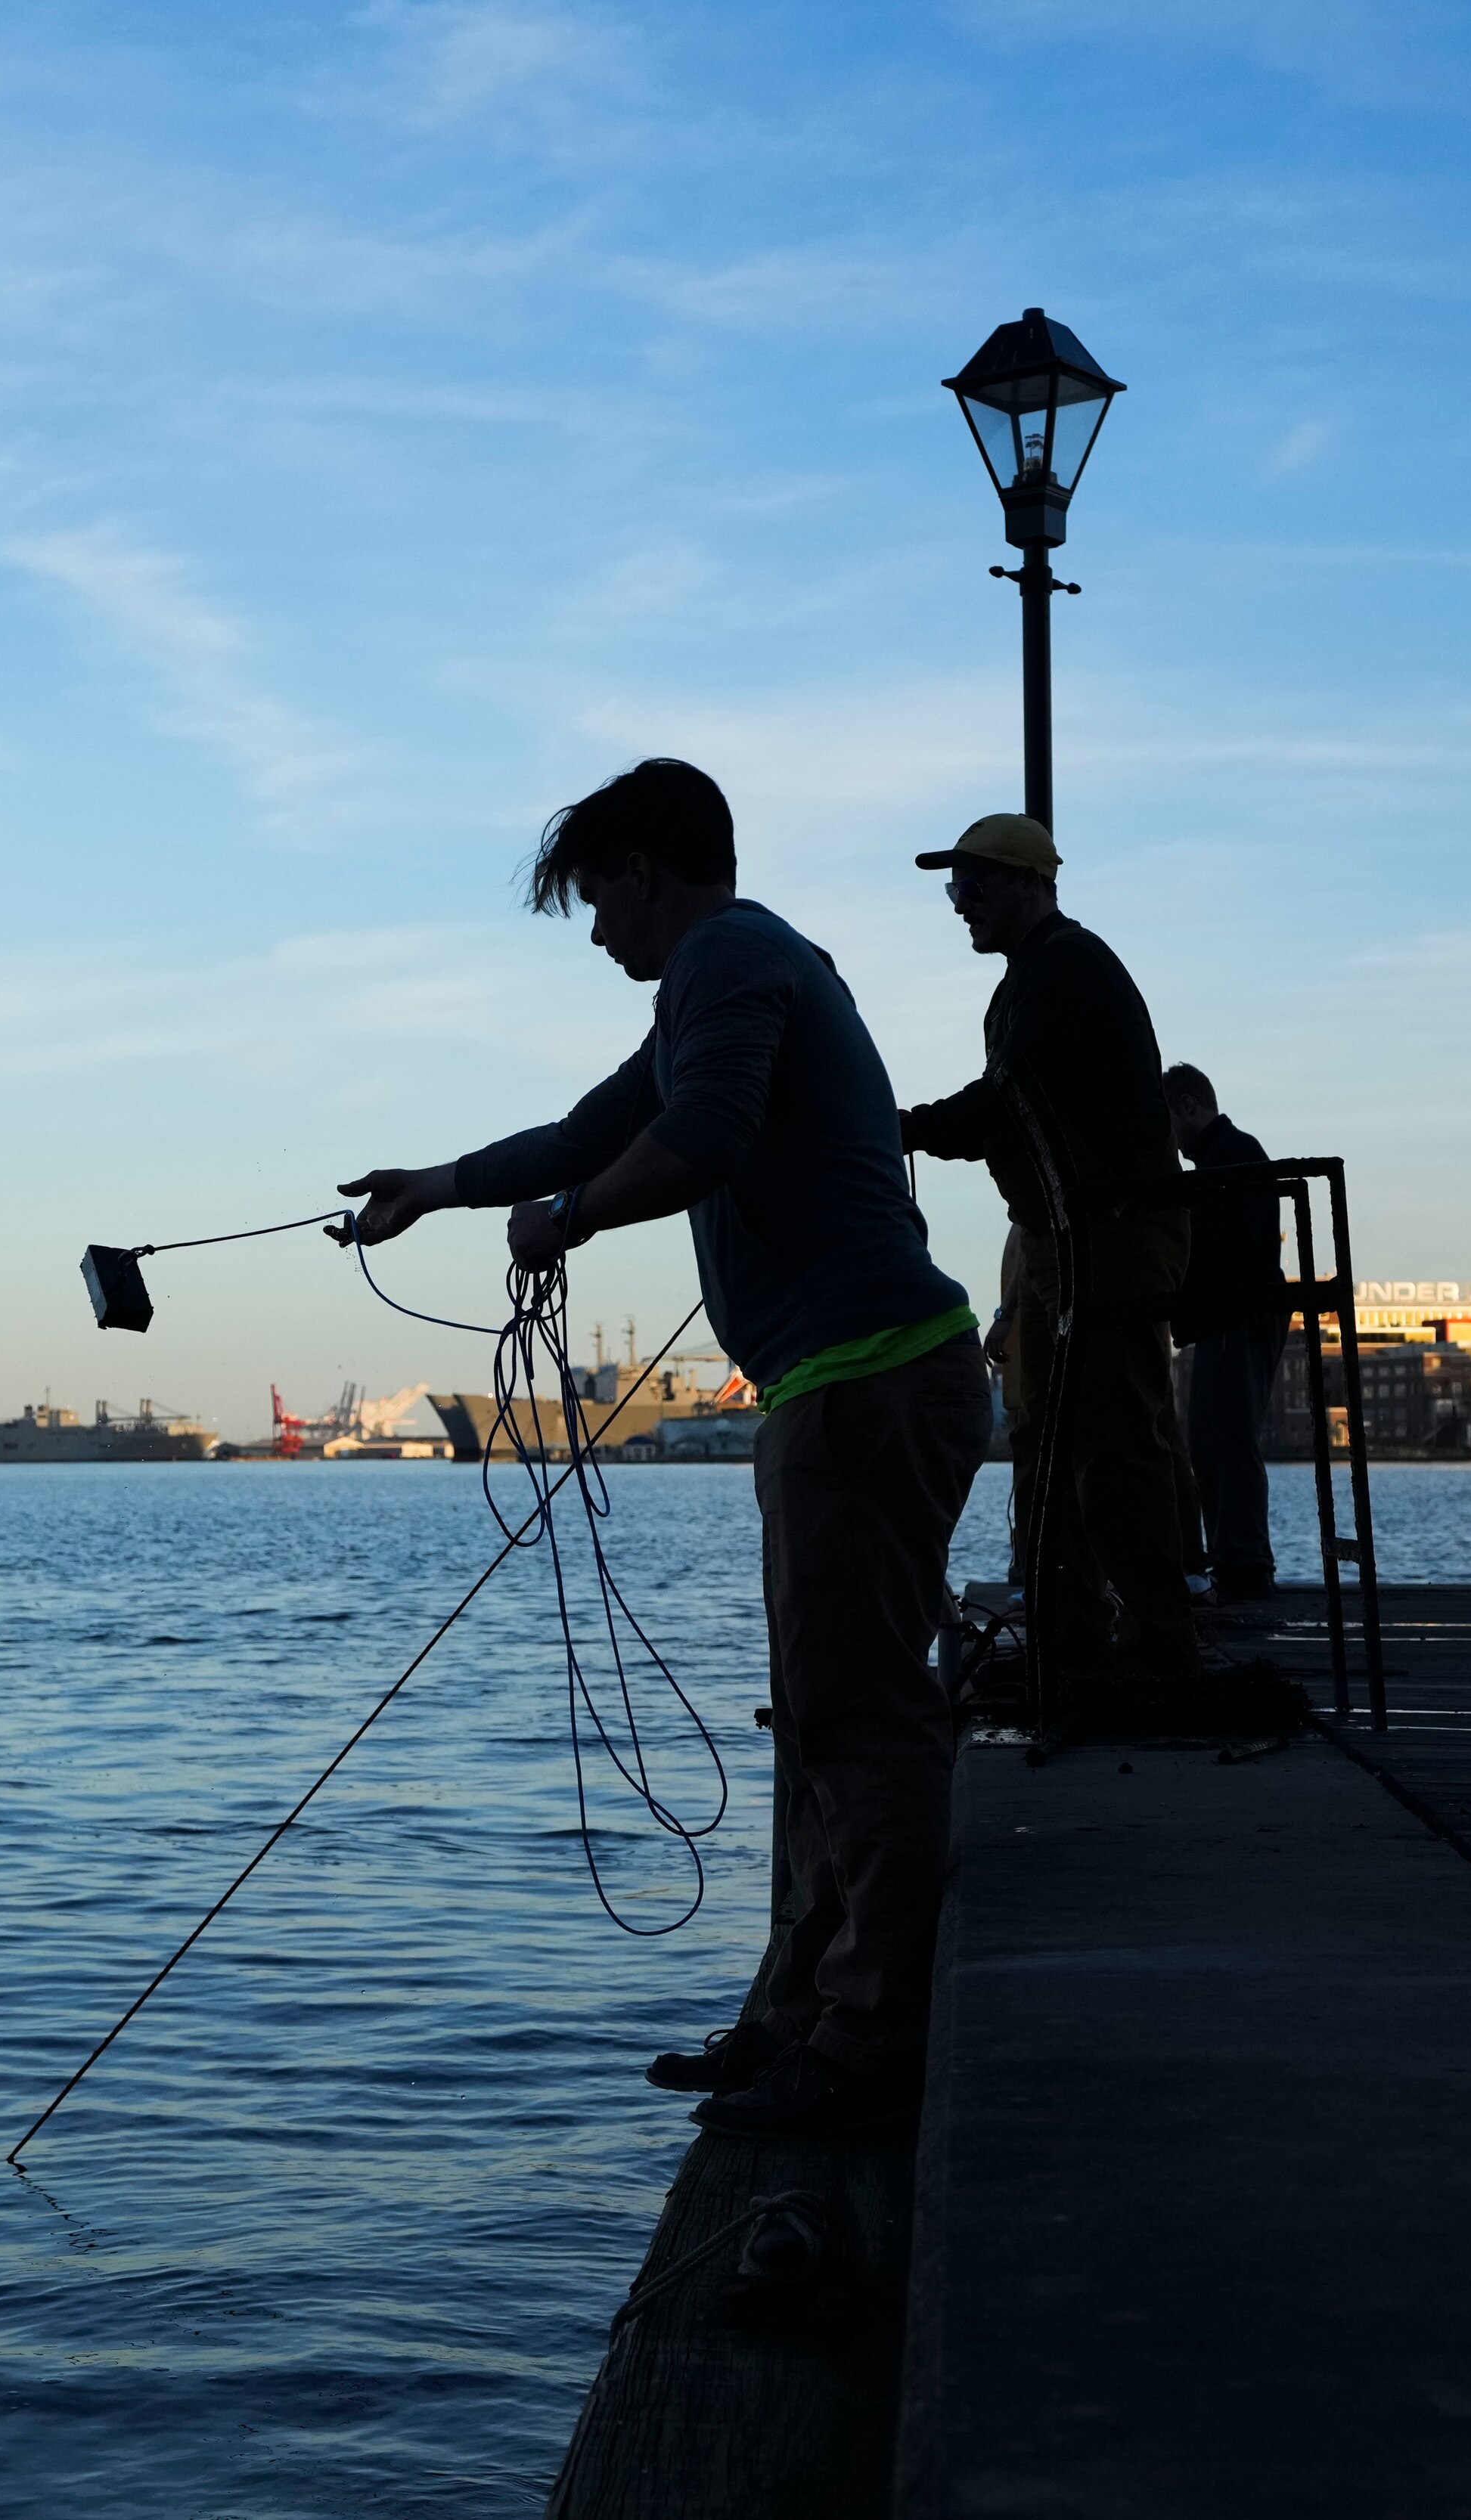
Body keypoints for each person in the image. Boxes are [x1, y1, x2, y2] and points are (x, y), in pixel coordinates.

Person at [337, 759, 988, 2141]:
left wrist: (565, 1220)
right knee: (823, 1711)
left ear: (644, 870)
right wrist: (442, 1187)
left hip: (867, 1386)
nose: (593, 932)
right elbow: (598, 1127)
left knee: (860, 1716)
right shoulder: (725, 975)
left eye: (594, 898)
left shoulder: (730, 955)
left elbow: (701, 1139)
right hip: (848, 1385)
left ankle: (870, 2036)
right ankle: (800, 2009)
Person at [897, 813, 1200, 1697]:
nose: (960, 903)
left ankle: (1157, 1641)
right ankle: (1071, 1631)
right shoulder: (1034, 976)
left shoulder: (1063, 969)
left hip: (1113, 1232)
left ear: (1029, 884)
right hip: (1064, 1235)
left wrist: (898, 1130)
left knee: (1111, 1436)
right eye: (954, 888)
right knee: (1053, 1435)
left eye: (974, 884)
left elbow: (1004, 1097)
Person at [1165, 1062, 1284, 1604]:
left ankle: (1243, 1566)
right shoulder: (1236, 1152)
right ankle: (1240, 1564)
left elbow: (1220, 1246)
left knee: (1226, 1442)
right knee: (1219, 1443)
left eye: (1168, 1120)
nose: (1168, 1137)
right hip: (1233, 1318)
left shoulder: (1230, 1157)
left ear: (1188, 1105)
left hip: (1234, 1318)